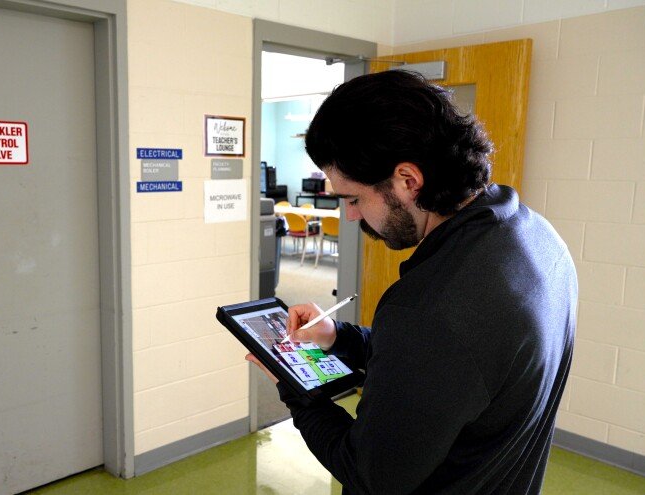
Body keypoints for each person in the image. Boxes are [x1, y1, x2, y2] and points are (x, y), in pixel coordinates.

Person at [246, 70, 577, 494]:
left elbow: (368, 472)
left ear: (408, 180)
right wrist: (337, 337)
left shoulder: (433, 305)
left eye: (353, 198)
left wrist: (293, 385)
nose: (350, 215)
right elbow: (440, 370)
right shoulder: (535, 237)